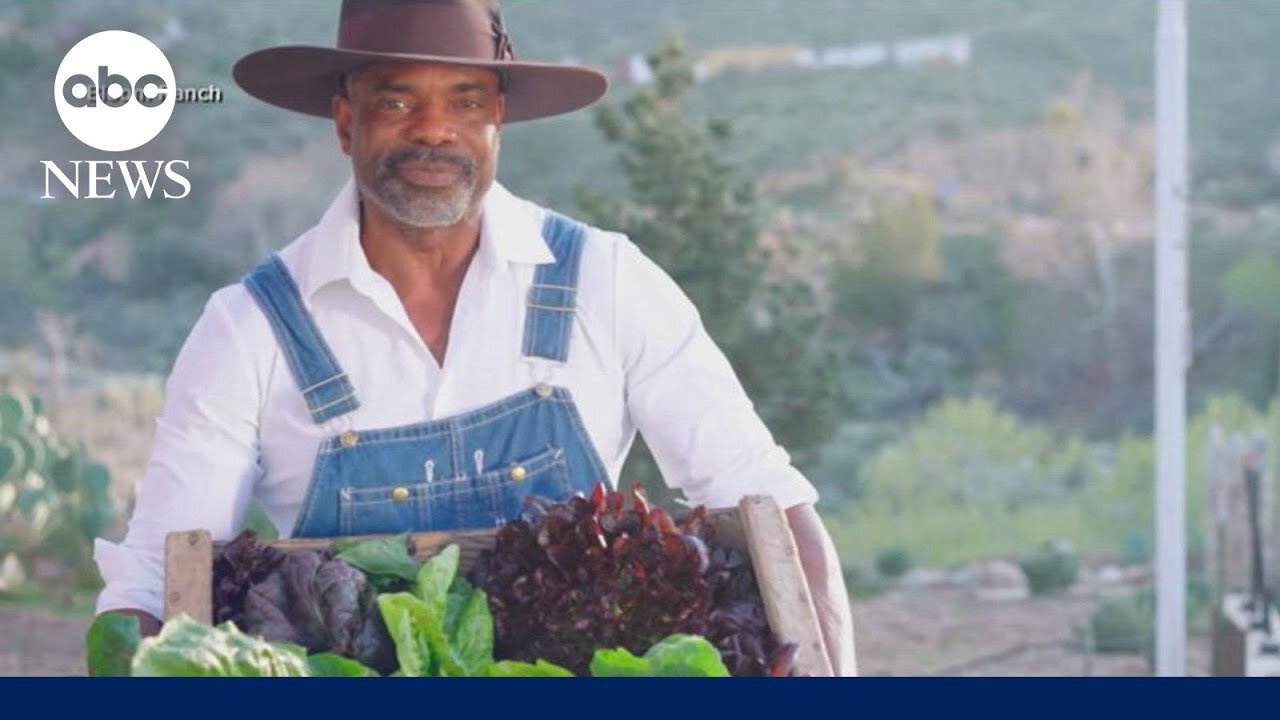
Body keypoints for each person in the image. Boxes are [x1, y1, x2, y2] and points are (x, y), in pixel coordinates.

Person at [93, 0, 856, 675]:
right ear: (345, 122)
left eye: (465, 101)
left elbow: (774, 513)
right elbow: (159, 582)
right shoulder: (251, 329)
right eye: (397, 101)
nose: (434, 130)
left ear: (498, 121)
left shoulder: (607, 283)